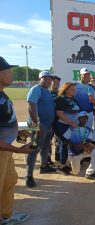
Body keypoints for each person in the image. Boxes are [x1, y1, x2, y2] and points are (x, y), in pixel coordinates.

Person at [0, 56, 33, 225]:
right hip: (3, 151)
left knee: (9, 182)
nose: (11, 73)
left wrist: (18, 132)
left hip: (6, 150)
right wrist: (19, 150)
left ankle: (5, 217)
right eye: (8, 70)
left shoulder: (2, 94)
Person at [26, 70, 56, 188]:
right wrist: (37, 126)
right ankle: (28, 176)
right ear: (40, 78)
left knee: (45, 147)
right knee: (34, 149)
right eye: (46, 78)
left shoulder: (47, 91)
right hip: (39, 126)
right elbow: (31, 108)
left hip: (48, 125)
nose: (48, 80)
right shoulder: (36, 89)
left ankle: (44, 166)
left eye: (50, 79)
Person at [63, 111, 95, 180]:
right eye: (82, 118)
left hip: (84, 149)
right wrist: (75, 145)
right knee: (76, 173)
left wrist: (82, 145)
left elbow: (89, 140)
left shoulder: (89, 129)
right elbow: (65, 139)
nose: (84, 119)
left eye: (86, 118)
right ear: (79, 119)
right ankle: (69, 162)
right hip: (74, 150)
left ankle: (90, 173)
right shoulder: (72, 127)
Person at [54, 82, 80, 175]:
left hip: (70, 126)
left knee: (67, 145)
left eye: (74, 89)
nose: (74, 91)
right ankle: (61, 166)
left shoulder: (73, 99)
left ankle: (65, 164)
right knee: (64, 144)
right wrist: (71, 122)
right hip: (61, 125)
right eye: (72, 89)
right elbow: (59, 114)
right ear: (66, 90)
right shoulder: (60, 99)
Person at [47, 75, 61, 165]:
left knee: (58, 140)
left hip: (59, 121)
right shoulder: (47, 93)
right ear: (51, 83)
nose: (56, 84)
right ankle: (48, 158)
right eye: (54, 82)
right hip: (49, 121)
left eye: (58, 83)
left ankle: (58, 157)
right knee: (48, 140)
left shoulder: (61, 93)